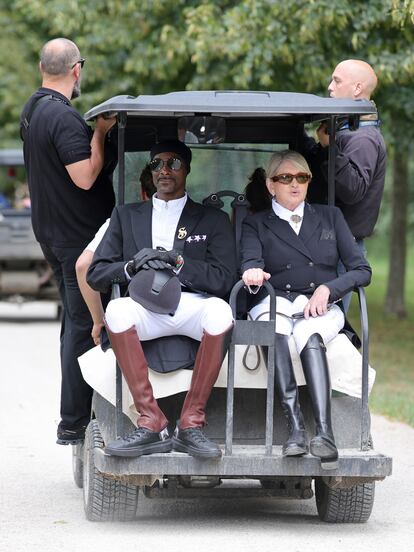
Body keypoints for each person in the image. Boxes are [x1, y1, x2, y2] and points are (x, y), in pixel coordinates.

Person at [87, 139, 237, 459]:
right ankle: (151, 418)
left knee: (221, 313)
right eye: (157, 164)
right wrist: (131, 266)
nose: (164, 170)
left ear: (187, 169)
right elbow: (95, 273)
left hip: (190, 303)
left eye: (174, 164)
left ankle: (191, 422)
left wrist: (180, 263)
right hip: (145, 307)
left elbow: (225, 278)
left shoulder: (212, 219)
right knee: (116, 310)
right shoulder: (126, 215)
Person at [241, 150, 371, 468]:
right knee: (278, 330)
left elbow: (361, 270)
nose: (295, 184)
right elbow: (249, 262)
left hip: (320, 305)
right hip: (276, 301)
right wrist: (252, 273)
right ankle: (295, 429)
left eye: (302, 177)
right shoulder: (256, 223)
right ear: (271, 185)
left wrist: (330, 289)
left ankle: (325, 434)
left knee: (310, 335)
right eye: (285, 178)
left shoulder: (330, 217)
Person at [20, 38, 117, 445]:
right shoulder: (61, 117)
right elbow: (85, 176)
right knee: (83, 328)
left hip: (53, 235)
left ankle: (81, 412)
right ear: (77, 69)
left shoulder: (32, 109)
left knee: (73, 325)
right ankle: (75, 421)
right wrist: (100, 132)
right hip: (76, 240)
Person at [304, 59, 386, 311]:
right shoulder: (346, 131)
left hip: (341, 248)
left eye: (337, 81)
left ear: (357, 88)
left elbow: (351, 191)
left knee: (327, 325)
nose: (330, 87)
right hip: (324, 242)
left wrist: (330, 148)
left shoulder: (363, 138)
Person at [76, 164, 156, 346]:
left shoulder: (120, 219)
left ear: (142, 192)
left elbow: (83, 265)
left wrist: (99, 321)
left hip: (133, 315)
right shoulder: (200, 219)